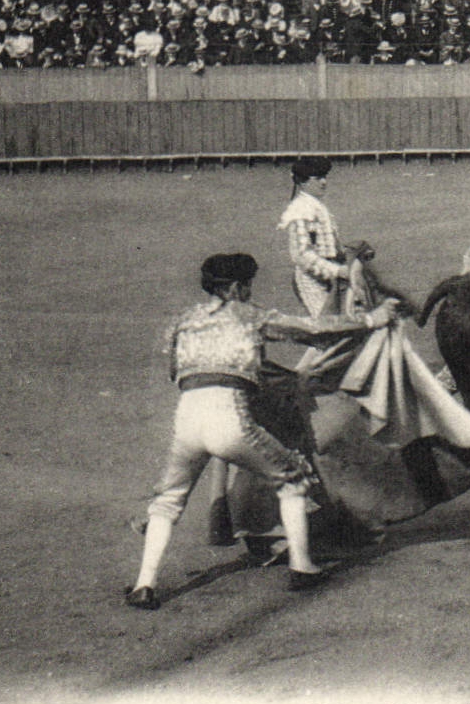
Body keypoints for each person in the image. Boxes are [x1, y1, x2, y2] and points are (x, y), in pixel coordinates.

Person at [125, 253, 398, 609]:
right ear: (237, 287)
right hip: (231, 421)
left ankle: (144, 586)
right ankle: (302, 566)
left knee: (167, 500)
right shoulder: (251, 315)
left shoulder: (182, 320)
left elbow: (175, 372)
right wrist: (370, 319)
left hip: (187, 419)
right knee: (292, 478)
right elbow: (311, 331)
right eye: (248, 284)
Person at [278, 157, 347, 316]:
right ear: (303, 182)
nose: (324, 182)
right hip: (311, 280)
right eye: (318, 178)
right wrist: (337, 271)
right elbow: (302, 255)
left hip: (328, 275)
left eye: (324, 177)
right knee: (326, 324)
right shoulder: (300, 210)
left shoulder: (316, 206)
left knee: (338, 322)